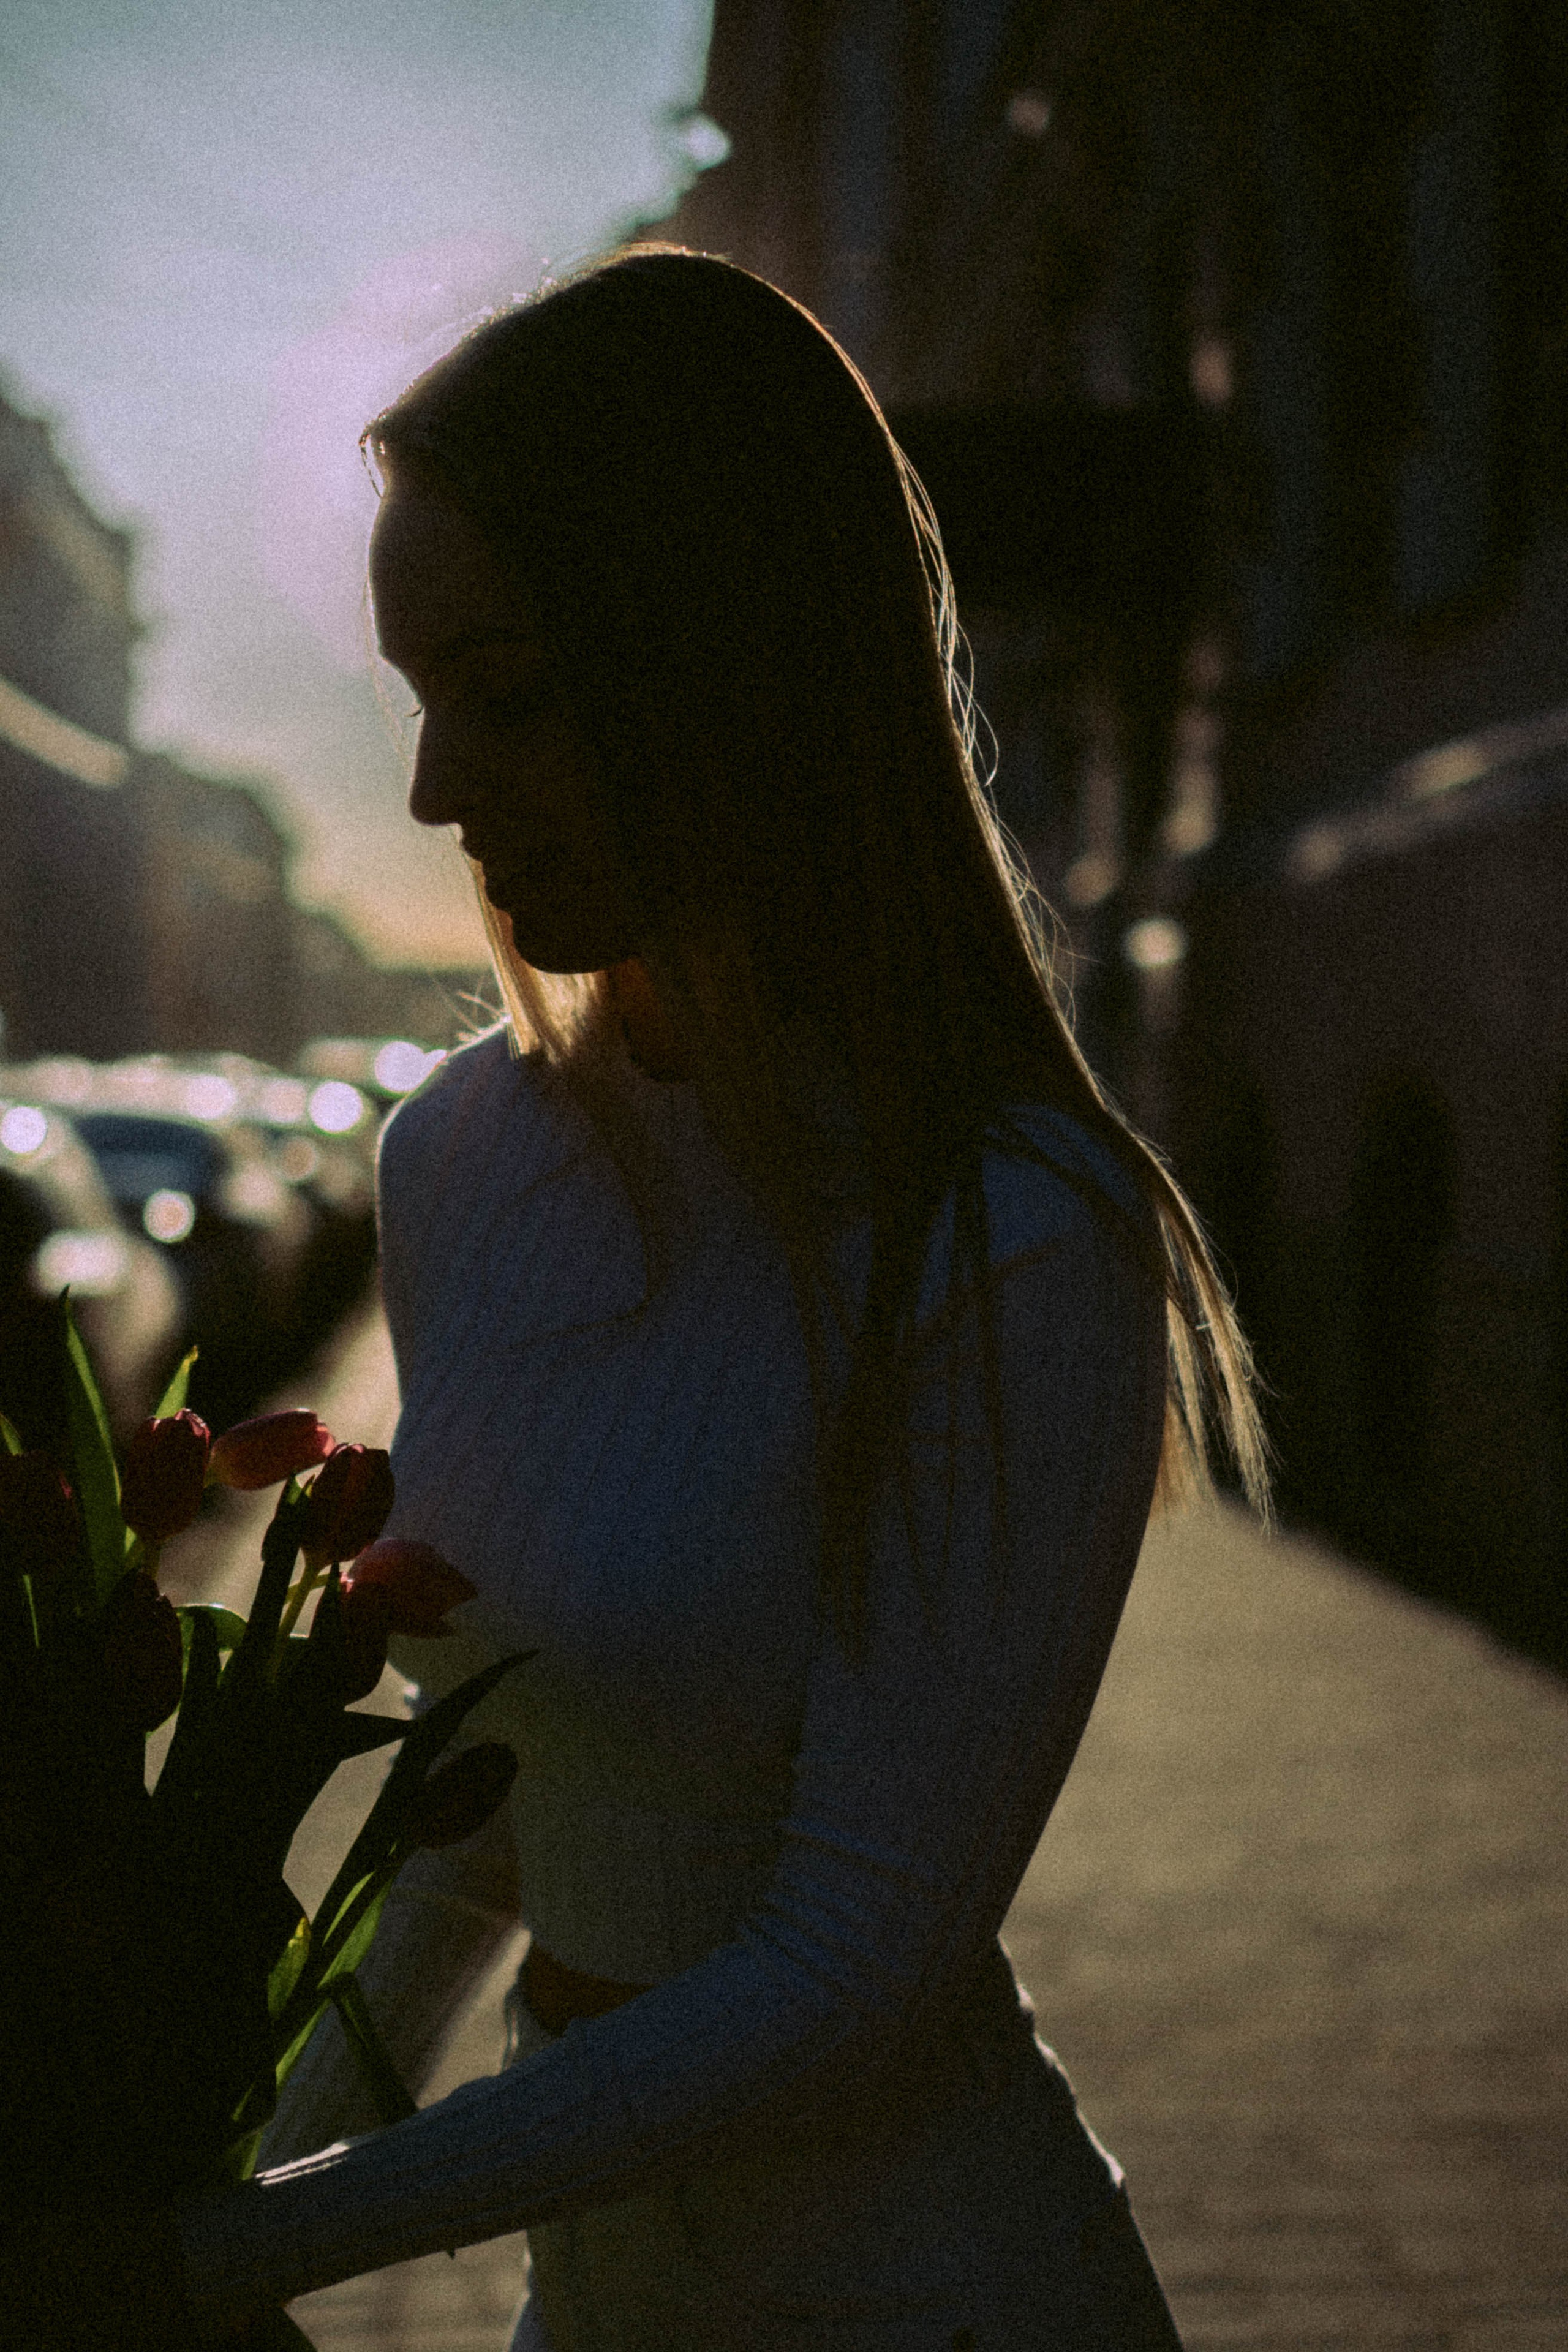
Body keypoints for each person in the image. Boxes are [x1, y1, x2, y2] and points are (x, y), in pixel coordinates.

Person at [172, 247, 1267, 2350]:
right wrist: (214, 2209)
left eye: (510, 691)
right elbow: (489, 1820)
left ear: (733, 664)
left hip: (932, 2290)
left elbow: (855, 1977)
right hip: (598, 2297)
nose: (432, 792)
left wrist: (246, 2250)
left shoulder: (1010, 1226)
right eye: (417, 696)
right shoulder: (460, 1160)